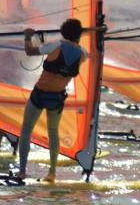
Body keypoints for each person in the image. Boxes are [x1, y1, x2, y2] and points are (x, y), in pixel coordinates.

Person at [15, 19, 88, 183]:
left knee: (26, 130)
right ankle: (52, 172)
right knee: (53, 132)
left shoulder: (54, 46)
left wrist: (28, 36)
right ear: (79, 35)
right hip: (56, 98)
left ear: (63, 33)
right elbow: (74, 48)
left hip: (40, 94)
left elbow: (29, 51)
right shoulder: (83, 54)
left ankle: (21, 171)